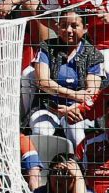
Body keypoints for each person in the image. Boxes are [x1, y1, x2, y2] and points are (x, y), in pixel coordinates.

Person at [28, 10, 104, 148]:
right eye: (63, 25)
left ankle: (80, 166)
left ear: (85, 28)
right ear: (57, 27)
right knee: (41, 129)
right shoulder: (46, 47)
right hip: (48, 107)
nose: (68, 30)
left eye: (74, 26)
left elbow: (91, 92)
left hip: (78, 110)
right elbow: (42, 82)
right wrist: (73, 95)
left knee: (74, 128)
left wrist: (75, 108)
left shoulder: (94, 54)